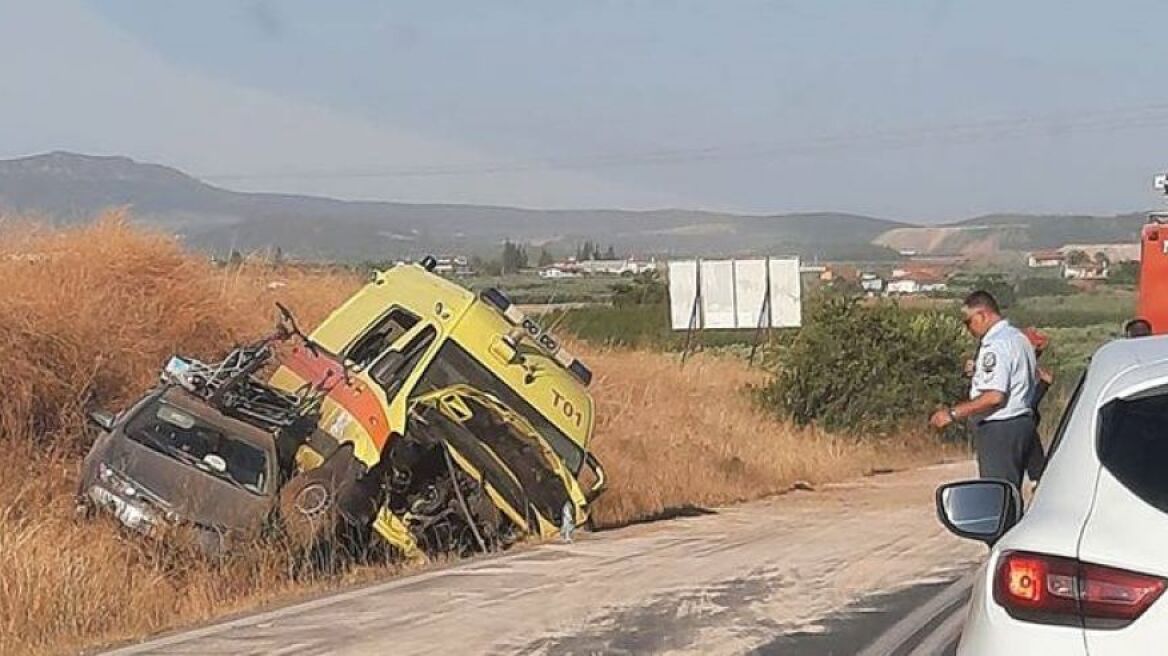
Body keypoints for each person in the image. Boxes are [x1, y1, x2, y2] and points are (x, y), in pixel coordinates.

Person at [930, 290, 1038, 489]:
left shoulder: (995, 345)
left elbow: (995, 396)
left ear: (982, 315)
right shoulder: (1018, 338)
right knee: (1011, 493)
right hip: (1022, 423)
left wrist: (953, 413)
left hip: (1000, 427)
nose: (968, 328)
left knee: (998, 496)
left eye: (968, 321)